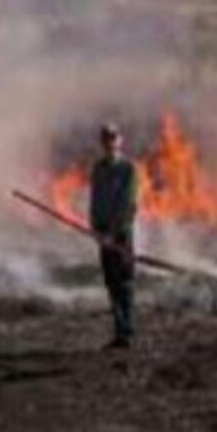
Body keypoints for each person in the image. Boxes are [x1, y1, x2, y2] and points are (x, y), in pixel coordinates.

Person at [88, 122, 140, 349]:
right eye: (106, 139)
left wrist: (112, 232)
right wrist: (95, 229)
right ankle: (119, 329)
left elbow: (127, 204)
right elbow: (95, 200)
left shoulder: (129, 169)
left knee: (125, 282)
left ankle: (127, 328)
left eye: (113, 138)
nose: (110, 143)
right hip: (103, 235)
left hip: (121, 235)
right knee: (110, 283)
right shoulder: (98, 169)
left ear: (120, 141)